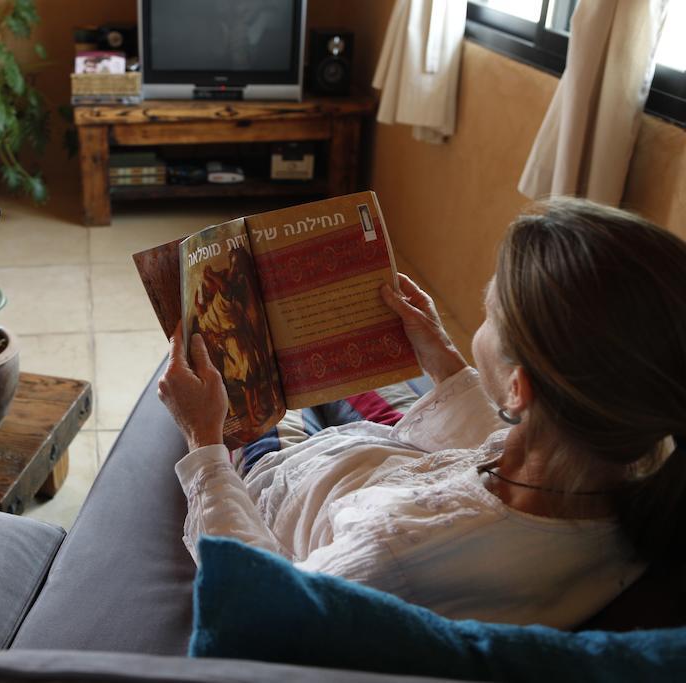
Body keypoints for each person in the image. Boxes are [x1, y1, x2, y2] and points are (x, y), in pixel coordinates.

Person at [157, 198, 686, 628]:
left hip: (282, 485)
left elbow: (260, 606)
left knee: (226, 377)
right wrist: (442, 356)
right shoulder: (622, 468)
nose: (479, 320)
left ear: (519, 390)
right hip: (382, 456)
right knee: (327, 367)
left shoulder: (389, 554)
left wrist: (203, 438)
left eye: (488, 313)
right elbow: (516, 440)